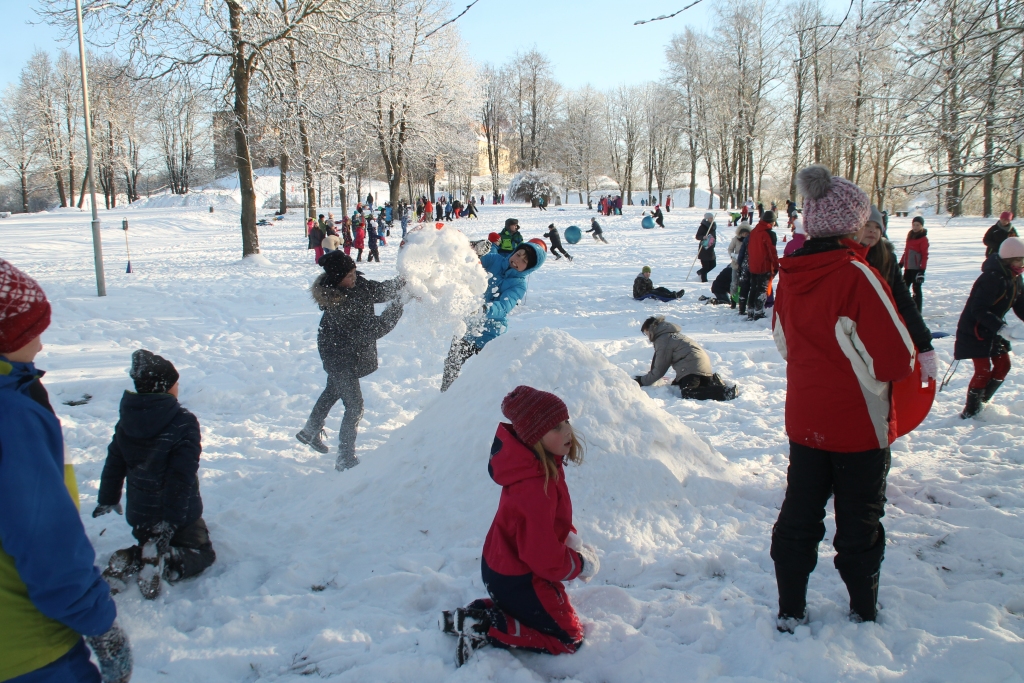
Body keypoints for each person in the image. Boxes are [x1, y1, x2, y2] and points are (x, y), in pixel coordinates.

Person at [771, 165, 914, 631]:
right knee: (860, 519)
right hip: (858, 425)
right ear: (852, 223)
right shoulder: (856, 273)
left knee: (799, 513)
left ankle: (790, 608)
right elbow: (896, 358)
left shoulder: (790, 272)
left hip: (806, 419)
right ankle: (863, 609)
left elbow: (783, 342)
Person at [0, 259, 133, 683]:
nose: (39, 345)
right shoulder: (10, 417)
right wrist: (98, 622)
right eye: (30, 331)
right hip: (27, 649)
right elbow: (44, 537)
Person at [441, 386, 594, 666]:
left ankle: (477, 615)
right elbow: (541, 556)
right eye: (556, 428)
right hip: (520, 578)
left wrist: (568, 541)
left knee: (546, 612)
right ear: (535, 438)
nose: (568, 432)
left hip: (505, 567)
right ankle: (485, 626)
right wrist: (578, 565)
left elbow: (546, 526)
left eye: (566, 421)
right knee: (568, 638)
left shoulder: (541, 465)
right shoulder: (534, 486)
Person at [95, 350, 217, 600]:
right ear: (165, 387)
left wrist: (108, 497)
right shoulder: (182, 421)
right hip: (177, 516)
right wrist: (171, 522)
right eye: (176, 384)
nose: (178, 388)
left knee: (149, 540)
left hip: (140, 515)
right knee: (203, 553)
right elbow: (180, 477)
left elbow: (114, 460)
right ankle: (165, 561)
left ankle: (133, 556)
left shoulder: (127, 420)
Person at [296, 251, 405, 469]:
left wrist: (406, 283)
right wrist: (399, 304)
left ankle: (310, 430)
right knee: (354, 406)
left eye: (354, 272)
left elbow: (381, 290)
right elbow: (373, 329)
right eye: (348, 275)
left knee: (333, 389)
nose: (353, 277)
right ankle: (345, 457)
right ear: (336, 279)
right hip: (338, 357)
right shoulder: (339, 304)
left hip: (349, 352)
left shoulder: (359, 286)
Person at [441, 242, 545, 392]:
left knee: (485, 373)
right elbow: (469, 267)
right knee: (452, 363)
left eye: (524, 261)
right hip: (467, 327)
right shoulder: (493, 260)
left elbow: (503, 307)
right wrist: (473, 251)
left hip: (491, 334)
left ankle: (479, 401)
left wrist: (482, 309)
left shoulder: (519, 285)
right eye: (518, 254)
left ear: (529, 268)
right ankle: (445, 397)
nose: (517, 260)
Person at [856, 207, 938, 384]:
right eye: (866, 225)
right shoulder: (846, 258)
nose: (872, 230)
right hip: (852, 340)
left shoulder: (887, 258)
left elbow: (904, 302)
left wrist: (924, 345)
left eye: (877, 227)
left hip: (882, 335)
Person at [955, 236, 1024, 418]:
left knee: (1003, 366)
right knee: (983, 370)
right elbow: (978, 309)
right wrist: (1002, 328)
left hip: (994, 329)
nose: (1022, 264)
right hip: (975, 330)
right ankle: (970, 412)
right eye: (1019, 260)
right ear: (1009, 259)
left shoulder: (1016, 277)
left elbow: (1020, 304)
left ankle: (982, 403)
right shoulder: (992, 278)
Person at [635, 316, 736, 400]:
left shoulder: (663, 340)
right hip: (702, 365)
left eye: (647, 333)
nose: (648, 337)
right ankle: (713, 381)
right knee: (686, 385)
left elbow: (660, 368)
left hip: (692, 368)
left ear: (652, 329)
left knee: (688, 392)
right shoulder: (671, 335)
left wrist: (642, 381)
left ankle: (725, 392)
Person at [746, 210, 779, 320]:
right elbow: (771, 251)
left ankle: (750, 310)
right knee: (762, 289)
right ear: (771, 222)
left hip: (753, 264)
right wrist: (775, 265)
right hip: (764, 265)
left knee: (753, 288)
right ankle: (758, 312)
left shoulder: (754, 231)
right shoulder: (768, 233)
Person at [899, 217, 928, 312]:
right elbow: (906, 251)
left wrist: (922, 270)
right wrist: (901, 263)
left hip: (916, 268)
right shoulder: (910, 235)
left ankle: (918, 310)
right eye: (914, 225)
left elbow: (924, 255)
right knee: (903, 288)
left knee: (916, 289)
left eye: (918, 225)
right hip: (908, 267)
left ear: (922, 226)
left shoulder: (923, 239)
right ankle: (904, 308)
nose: (915, 227)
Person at [728, 223, 750, 309]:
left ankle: (744, 300)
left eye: (746, 233)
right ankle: (733, 300)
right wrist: (732, 256)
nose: (745, 234)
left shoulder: (750, 240)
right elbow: (730, 249)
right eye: (743, 233)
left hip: (746, 265)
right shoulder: (735, 239)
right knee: (734, 283)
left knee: (745, 284)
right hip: (736, 264)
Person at [695, 212, 718, 282]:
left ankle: (701, 272)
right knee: (706, 266)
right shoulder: (703, 226)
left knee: (713, 264)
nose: (712, 219)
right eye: (710, 218)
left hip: (711, 248)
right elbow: (697, 236)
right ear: (707, 219)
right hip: (704, 248)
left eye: (712, 218)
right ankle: (704, 281)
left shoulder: (713, 226)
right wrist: (703, 237)